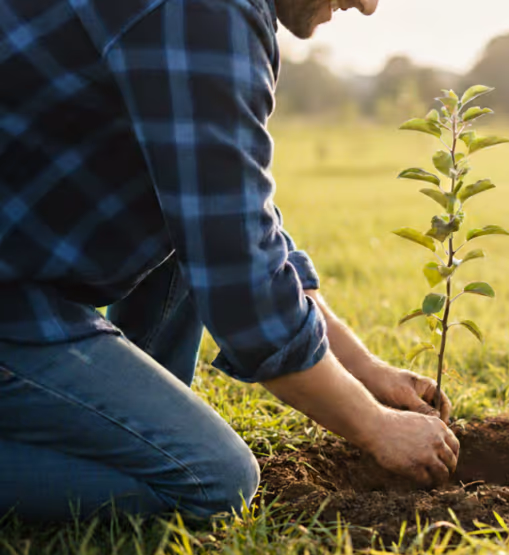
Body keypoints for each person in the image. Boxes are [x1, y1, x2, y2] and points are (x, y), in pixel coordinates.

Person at [0, 0, 459, 522]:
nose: (368, 5)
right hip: (14, 306)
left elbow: (232, 221)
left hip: (24, 280)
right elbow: (245, 292)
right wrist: (374, 426)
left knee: (187, 231)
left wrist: (368, 371)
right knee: (213, 479)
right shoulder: (202, 11)